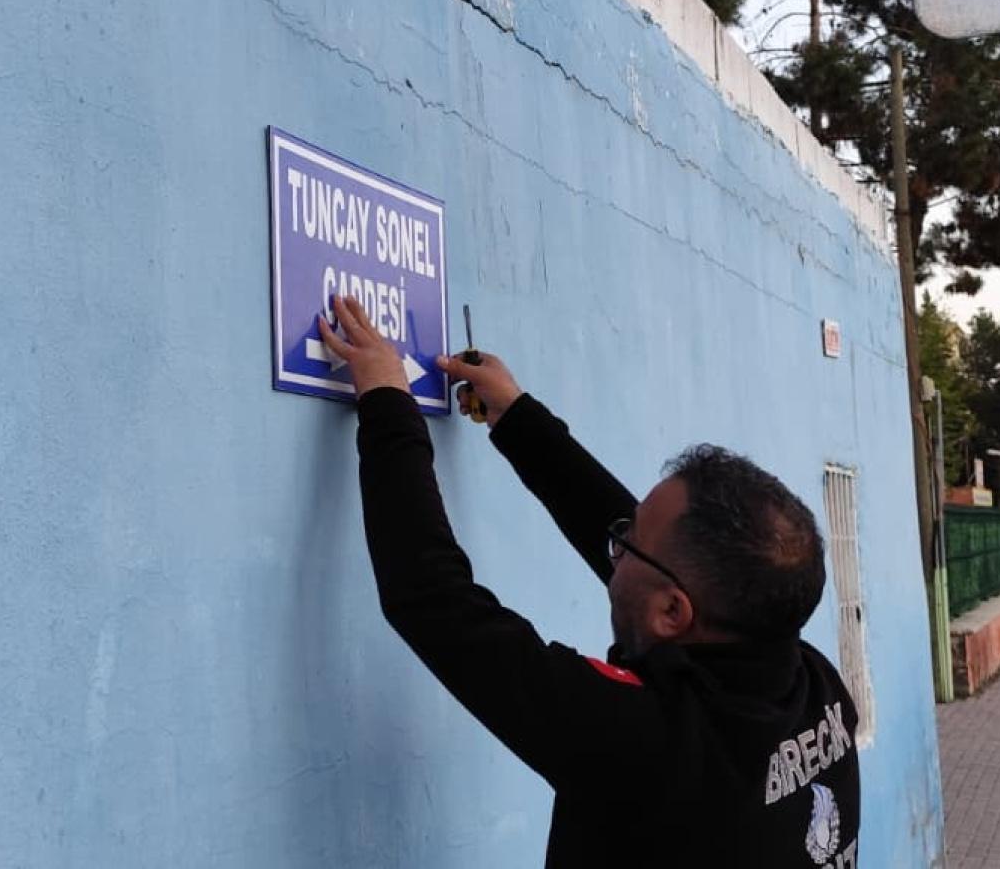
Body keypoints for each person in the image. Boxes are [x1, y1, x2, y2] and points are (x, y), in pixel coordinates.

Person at [317, 295, 861, 868]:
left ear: (673, 614)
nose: (615, 546)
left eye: (626, 544)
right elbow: (671, 568)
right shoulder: (810, 685)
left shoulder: (650, 745)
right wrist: (521, 422)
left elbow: (433, 601)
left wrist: (387, 404)